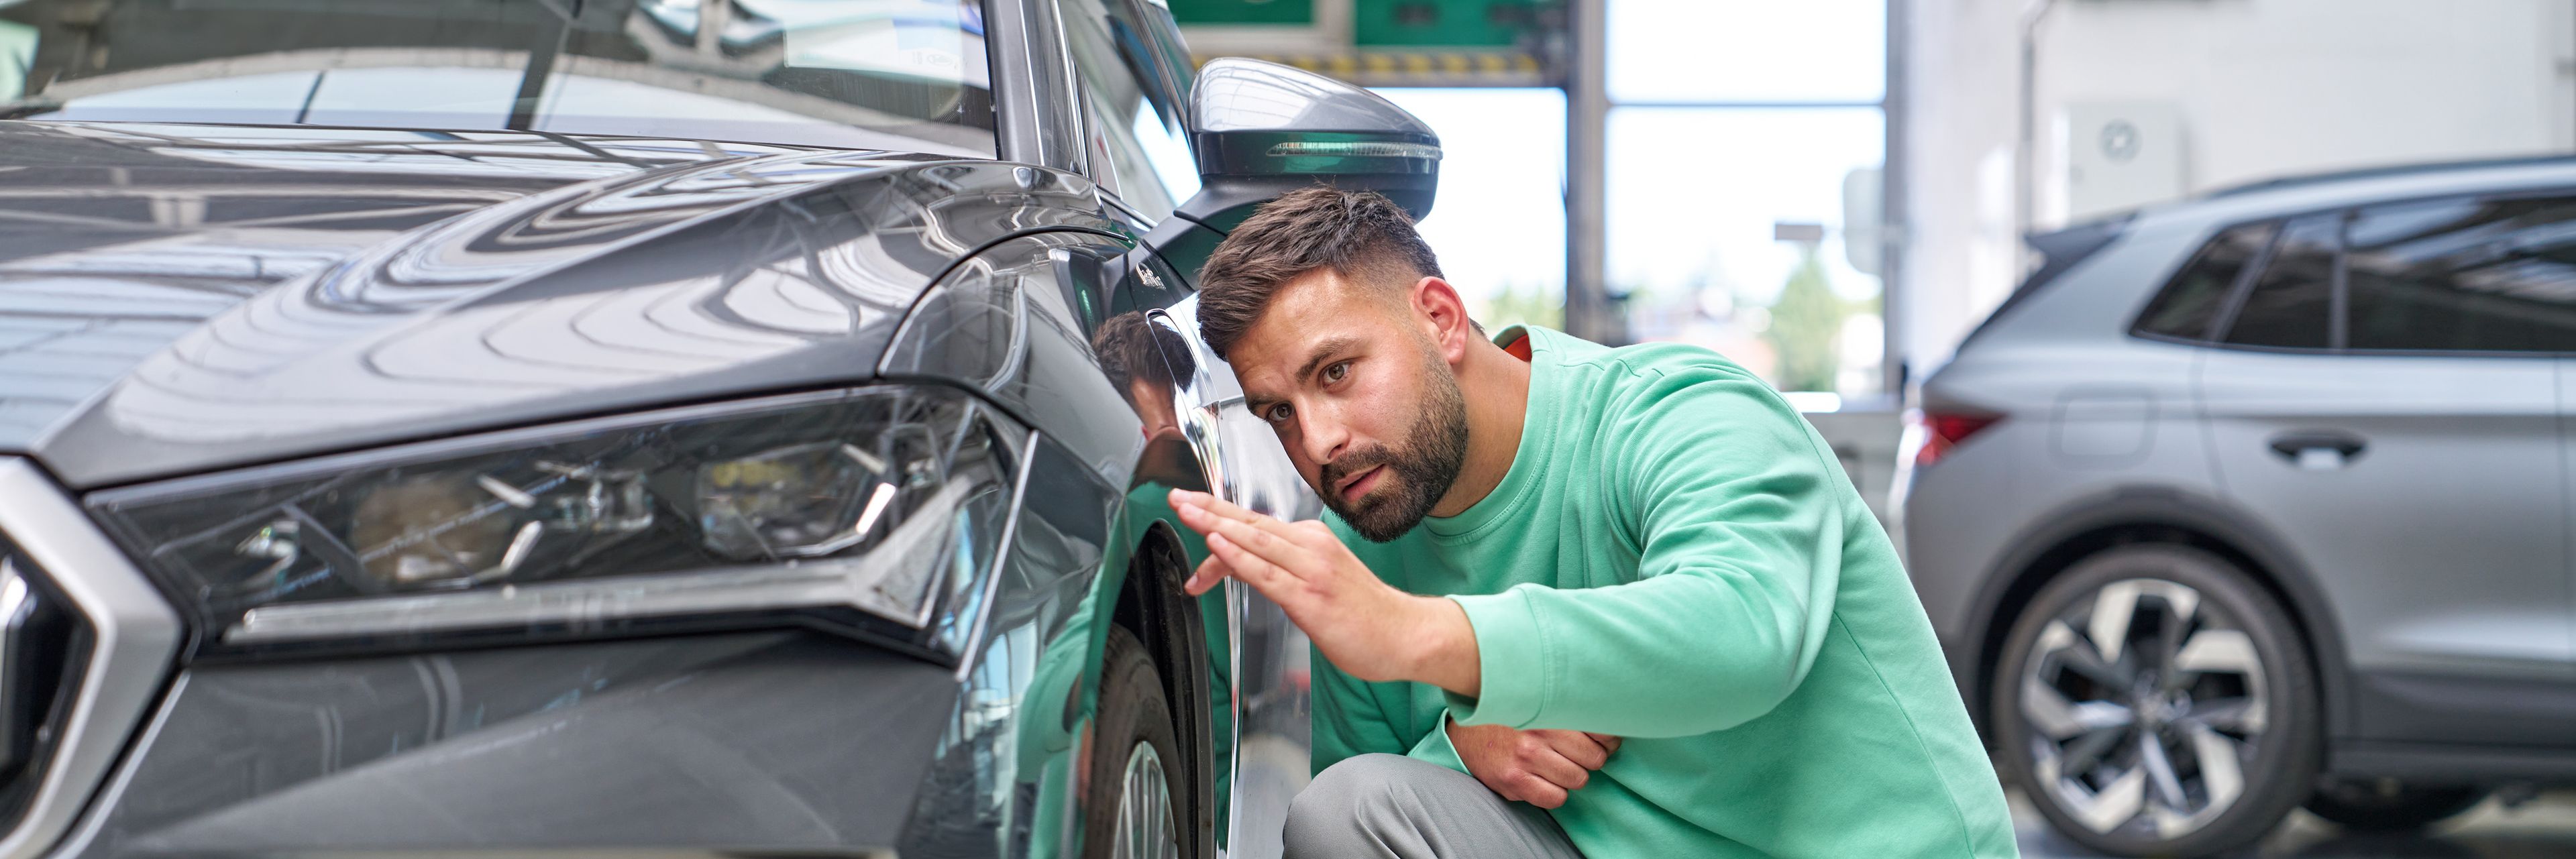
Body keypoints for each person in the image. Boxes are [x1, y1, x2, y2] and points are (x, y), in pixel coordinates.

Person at [1161, 187, 2020, 858]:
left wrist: (1428, 640)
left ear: (1441, 319)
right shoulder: (1365, 549)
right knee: (1346, 811)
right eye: (1279, 413)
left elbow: (1745, 631)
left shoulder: (1685, 412)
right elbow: (1363, 808)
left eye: (1338, 373)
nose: (1318, 442)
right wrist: (1463, 743)